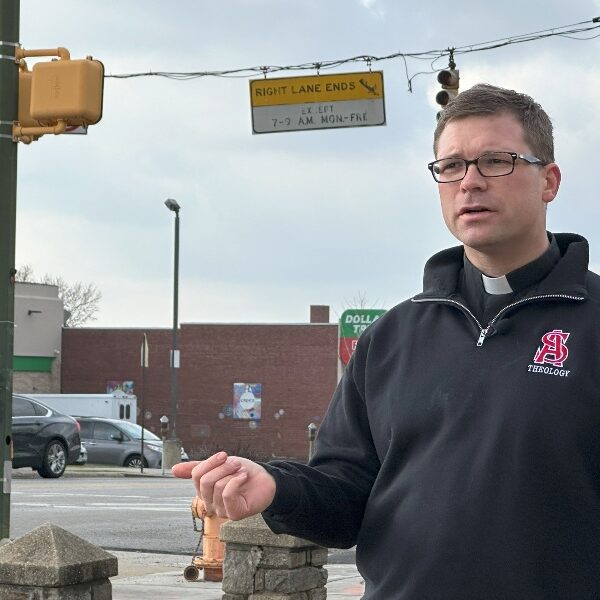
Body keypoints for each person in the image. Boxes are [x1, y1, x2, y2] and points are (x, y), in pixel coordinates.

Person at [173, 84, 600, 599]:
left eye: (496, 161)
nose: (470, 182)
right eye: (451, 166)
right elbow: (347, 496)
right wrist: (276, 487)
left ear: (548, 181)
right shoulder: (392, 338)